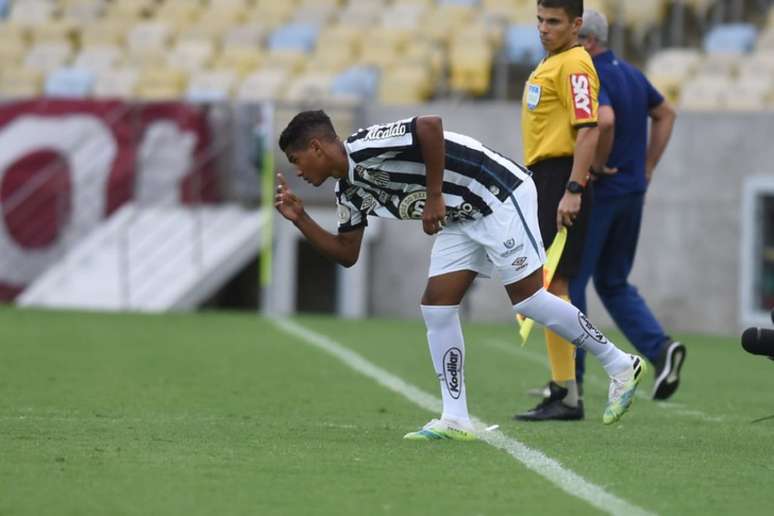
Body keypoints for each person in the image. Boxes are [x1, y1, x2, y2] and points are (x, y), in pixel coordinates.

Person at [274, 109, 645, 441]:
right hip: (460, 217)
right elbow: (347, 253)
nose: (298, 171)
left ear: (317, 147)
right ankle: (456, 418)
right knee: (436, 307)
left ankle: (620, 364)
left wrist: (434, 196)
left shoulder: (365, 147)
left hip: (497, 191)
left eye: (297, 160)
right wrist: (301, 219)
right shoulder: (349, 191)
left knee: (529, 299)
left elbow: (430, 126)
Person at [568, 9, 684, 400]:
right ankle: (661, 348)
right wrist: (648, 166)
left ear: (587, 40)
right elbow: (665, 113)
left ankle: (573, 381)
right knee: (613, 281)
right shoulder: (633, 73)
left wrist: (595, 167)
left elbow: (604, 121)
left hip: (602, 191)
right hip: (633, 191)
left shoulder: (592, 72)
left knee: (573, 281)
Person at [514, 0, 599, 421]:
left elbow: (588, 131)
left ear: (576, 24)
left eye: (554, 22)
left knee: (553, 287)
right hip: (544, 177)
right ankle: (564, 391)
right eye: (540, 21)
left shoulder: (575, 65)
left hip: (560, 178)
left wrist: (573, 188)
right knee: (550, 288)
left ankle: (567, 394)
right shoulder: (553, 62)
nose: (544, 29)